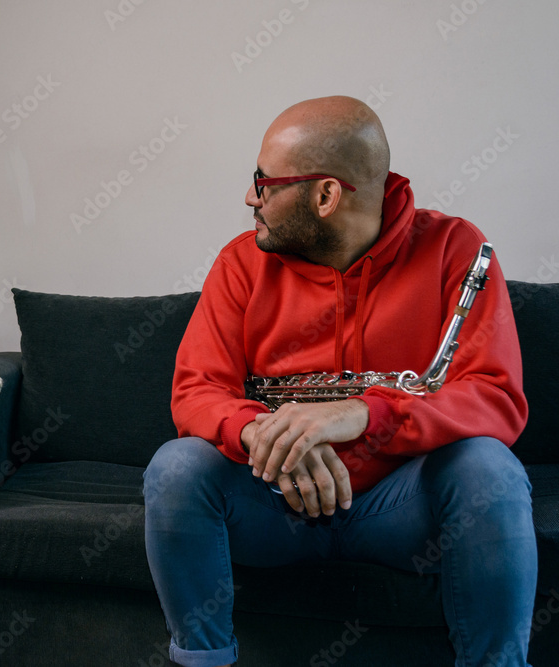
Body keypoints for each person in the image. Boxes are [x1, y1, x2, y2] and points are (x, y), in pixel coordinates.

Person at [143, 96, 537, 667]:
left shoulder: (456, 249)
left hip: (401, 510)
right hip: (274, 506)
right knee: (176, 467)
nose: (250, 197)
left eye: (264, 182)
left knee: (490, 468)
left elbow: (495, 399)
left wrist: (365, 413)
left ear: (326, 195)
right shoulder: (240, 263)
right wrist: (270, 435)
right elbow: (196, 392)